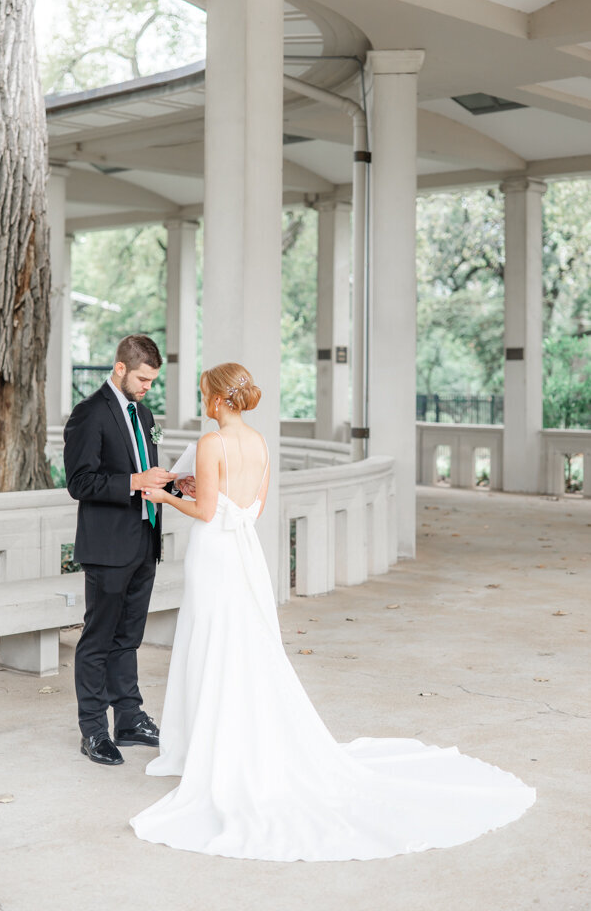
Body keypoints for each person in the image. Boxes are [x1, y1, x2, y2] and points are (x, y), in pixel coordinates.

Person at [129, 361, 536, 862]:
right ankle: (235, 742)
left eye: (202, 394)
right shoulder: (260, 444)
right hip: (246, 556)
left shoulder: (212, 444)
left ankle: (212, 749)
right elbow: (247, 508)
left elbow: (208, 512)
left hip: (214, 554)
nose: (201, 402)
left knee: (212, 642)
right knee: (243, 644)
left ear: (216, 399)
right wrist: (199, 491)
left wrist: (163, 493)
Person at [64, 334, 190, 766]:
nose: (147, 387)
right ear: (120, 368)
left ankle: (130, 719)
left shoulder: (145, 412)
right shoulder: (89, 414)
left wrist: (174, 482)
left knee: (129, 638)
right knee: (98, 638)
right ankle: (94, 730)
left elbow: (144, 470)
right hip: (107, 545)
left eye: (153, 381)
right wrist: (134, 483)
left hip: (143, 541)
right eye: (143, 379)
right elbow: (79, 483)